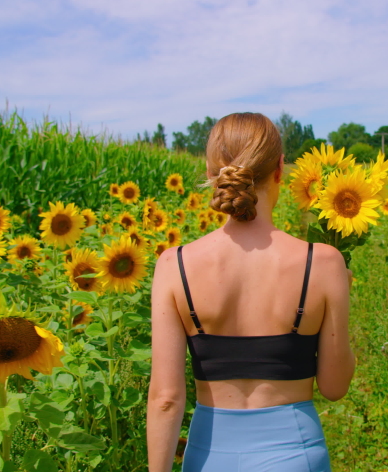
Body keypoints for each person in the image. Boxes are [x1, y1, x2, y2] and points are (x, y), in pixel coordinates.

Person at [147, 112, 355, 472]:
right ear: (280, 168)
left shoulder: (174, 265)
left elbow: (166, 399)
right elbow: (334, 386)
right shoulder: (323, 263)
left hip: (208, 456)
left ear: (212, 174)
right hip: (297, 456)